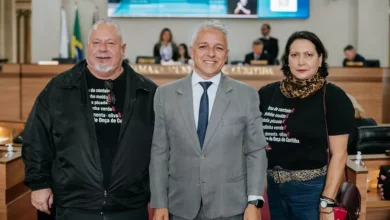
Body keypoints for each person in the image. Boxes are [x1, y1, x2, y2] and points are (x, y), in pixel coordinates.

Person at [22, 18, 157, 220]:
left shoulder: (148, 93)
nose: (102, 49)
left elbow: (162, 150)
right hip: (74, 206)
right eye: (96, 43)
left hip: (129, 207)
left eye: (110, 43)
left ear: (123, 49)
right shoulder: (59, 88)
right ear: (88, 47)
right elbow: (36, 139)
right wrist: (39, 183)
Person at [150, 19, 268, 220]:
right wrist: (159, 203)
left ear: (226, 54)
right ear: (191, 50)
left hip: (231, 207)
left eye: (218, 48)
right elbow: (159, 153)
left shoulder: (246, 95)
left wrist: (254, 201)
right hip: (179, 207)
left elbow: (256, 151)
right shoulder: (165, 95)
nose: (211, 54)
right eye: (203, 46)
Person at [258, 31, 355, 220]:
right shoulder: (267, 94)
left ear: (320, 59)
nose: (301, 62)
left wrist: (326, 203)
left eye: (308, 55)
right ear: (287, 60)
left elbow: (340, 155)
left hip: (313, 192)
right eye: (295, 55)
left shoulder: (334, 97)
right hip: (273, 190)